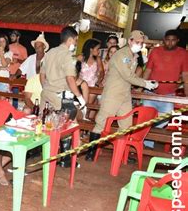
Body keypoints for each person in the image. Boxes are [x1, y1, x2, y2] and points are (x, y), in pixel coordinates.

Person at [85, 30, 159, 161]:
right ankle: (90, 153)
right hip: (113, 93)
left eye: (141, 43)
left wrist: (144, 82)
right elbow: (127, 75)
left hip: (125, 95)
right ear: (130, 41)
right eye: (137, 42)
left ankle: (121, 153)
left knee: (126, 124)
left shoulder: (133, 55)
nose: (140, 45)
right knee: (101, 122)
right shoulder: (122, 55)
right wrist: (145, 84)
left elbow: (130, 76)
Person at [40, 26, 85, 168]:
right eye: (76, 41)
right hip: (60, 97)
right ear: (70, 39)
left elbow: (42, 75)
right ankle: (64, 159)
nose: (76, 44)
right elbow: (70, 79)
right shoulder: (67, 56)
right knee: (68, 126)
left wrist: (47, 89)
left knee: (45, 126)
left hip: (47, 94)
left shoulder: (50, 52)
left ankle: (44, 155)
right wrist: (80, 97)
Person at [142, 29, 188, 147]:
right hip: (150, 92)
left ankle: (148, 138)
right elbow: (148, 70)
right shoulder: (155, 51)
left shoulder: (184, 53)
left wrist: (187, 96)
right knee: (145, 118)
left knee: (164, 119)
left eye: (173, 40)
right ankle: (147, 143)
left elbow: (185, 76)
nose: (170, 43)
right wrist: (141, 87)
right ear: (164, 40)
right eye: (167, 40)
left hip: (169, 94)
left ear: (177, 41)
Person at [11, 33, 49, 113]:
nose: (37, 48)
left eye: (39, 46)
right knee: (26, 110)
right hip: (31, 89)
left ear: (44, 47)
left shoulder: (49, 59)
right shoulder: (31, 58)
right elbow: (21, 69)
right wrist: (15, 75)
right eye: (36, 47)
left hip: (43, 88)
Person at [76, 38, 104, 120]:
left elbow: (101, 72)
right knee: (80, 105)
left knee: (88, 105)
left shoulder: (97, 59)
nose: (99, 51)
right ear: (91, 49)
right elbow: (74, 70)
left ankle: (85, 120)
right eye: (97, 49)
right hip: (81, 85)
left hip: (93, 85)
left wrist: (98, 82)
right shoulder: (81, 57)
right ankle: (80, 120)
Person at [9, 30, 28, 108]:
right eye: (11, 36)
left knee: (15, 94)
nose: (11, 37)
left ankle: (14, 110)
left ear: (18, 37)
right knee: (4, 93)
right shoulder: (8, 46)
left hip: (17, 74)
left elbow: (26, 62)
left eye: (13, 36)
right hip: (7, 72)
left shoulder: (23, 49)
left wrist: (18, 60)